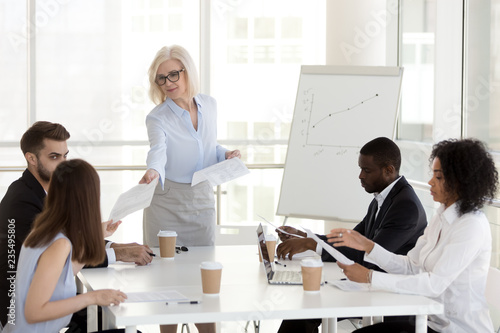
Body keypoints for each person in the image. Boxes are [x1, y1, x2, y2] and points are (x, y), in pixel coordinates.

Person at [332, 138, 497, 333]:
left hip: (458, 330)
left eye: (439, 177)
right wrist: (370, 247)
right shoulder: (441, 216)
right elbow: (411, 266)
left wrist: (369, 277)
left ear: (460, 182)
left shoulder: (471, 226)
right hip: (431, 323)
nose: (430, 182)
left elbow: (434, 284)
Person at [0, 121, 153, 328]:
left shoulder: (48, 221)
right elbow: (56, 261)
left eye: (65, 156)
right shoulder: (22, 201)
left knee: (105, 317)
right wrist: (93, 297)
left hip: (33, 314)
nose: (63, 164)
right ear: (31, 158)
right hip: (17, 312)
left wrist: (102, 239)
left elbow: (63, 264)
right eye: (54, 157)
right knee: (103, 317)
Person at [276, 137, 428, 333]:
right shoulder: (381, 198)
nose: (360, 176)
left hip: (389, 294)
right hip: (367, 284)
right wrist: (305, 238)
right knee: (306, 306)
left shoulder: (406, 206)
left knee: (308, 308)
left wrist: (311, 244)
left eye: (366, 170)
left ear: (389, 170)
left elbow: (369, 256)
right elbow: (351, 240)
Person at [139, 45, 240, 333]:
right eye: (161, 78)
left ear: (187, 72)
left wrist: (225, 154)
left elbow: (208, 147)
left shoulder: (210, 104)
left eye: (174, 74)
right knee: (167, 286)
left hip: (201, 200)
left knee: (204, 283)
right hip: (166, 203)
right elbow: (158, 151)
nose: (168, 83)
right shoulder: (157, 117)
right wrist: (153, 170)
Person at [2, 159, 129, 332]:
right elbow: (33, 312)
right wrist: (93, 297)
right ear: (88, 199)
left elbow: (65, 274)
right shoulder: (59, 243)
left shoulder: (45, 230)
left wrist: (97, 233)